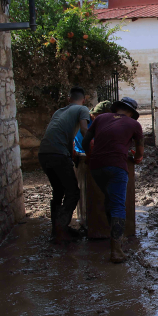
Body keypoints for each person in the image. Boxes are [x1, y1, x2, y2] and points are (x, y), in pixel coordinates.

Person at [83, 96, 144, 263]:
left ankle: (116, 237)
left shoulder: (100, 118)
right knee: (118, 205)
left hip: (96, 167)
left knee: (110, 200)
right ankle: (116, 250)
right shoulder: (134, 124)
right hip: (117, 167)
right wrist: (137, 158)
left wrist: (90, 156)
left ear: (117, 108)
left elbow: (86, 141)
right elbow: (140, 151)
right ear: (132, 112)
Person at [38, 87, 90, 243]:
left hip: (44, 154)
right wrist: (92, 151)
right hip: (58, 154)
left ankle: (56, 230)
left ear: (68, 99)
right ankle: (61, 230)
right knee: (73, 192)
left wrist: (71, 154)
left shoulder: (58, 112)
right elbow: (84, 130)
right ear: (84, 99)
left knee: (59, 191)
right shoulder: (82, 109)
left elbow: (63, 136)